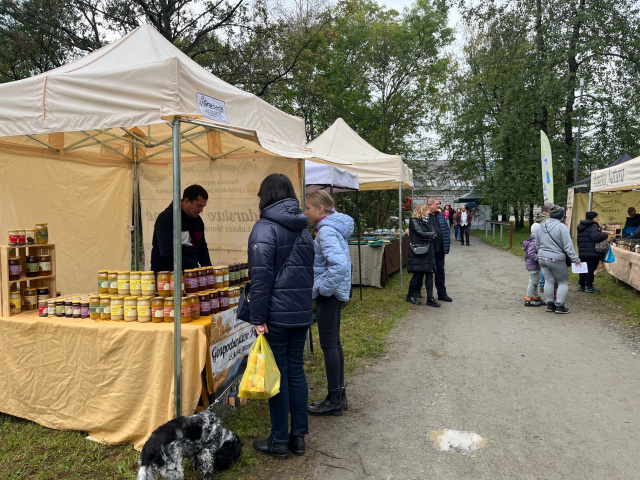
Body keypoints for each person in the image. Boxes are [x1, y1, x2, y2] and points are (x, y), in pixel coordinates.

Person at [247, 174, 315, 459]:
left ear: (267, 195)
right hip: (300, 312)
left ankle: (278, 441)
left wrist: (258, 317)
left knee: (278, 374)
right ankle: (297, 438)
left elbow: (260, 279)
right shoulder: (303, 227)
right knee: (295, 371)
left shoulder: (264, 228)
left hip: (275, 314)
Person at [304, 190, 354, 416]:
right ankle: (339, 396)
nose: (306, 212)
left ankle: (334, 398)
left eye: (308, 208)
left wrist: (323, 289)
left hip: (329, 295)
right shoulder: (332, 227)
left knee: (329, 345)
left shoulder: (325, 231)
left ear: (320, 210)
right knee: (334, 343)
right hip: (335, 293)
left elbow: (340, 265)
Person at [151, 184, 212, 272]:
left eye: (203, 206)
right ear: (187, 201)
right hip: (167, 276)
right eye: (198, 206)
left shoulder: (198, 221)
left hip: (191, 274)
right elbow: (167, 252)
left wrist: (208, 270)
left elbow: (202, 247)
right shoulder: (166, 219)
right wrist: (194, 267)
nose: (201, 210)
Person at [535, 204, 581, 314]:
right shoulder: (562, 227)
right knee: (563, 282)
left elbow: (537, 244)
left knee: (549, 281)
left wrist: (541, 253)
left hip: (542, 257)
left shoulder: (541, 226)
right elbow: (568, 246)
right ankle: (560, 306)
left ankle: (550, 305)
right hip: (556, 259)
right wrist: (576, 259)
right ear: (561, 216)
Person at [405, 204, 439, 306]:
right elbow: (420, 234)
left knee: (429, 273)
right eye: (427, 210)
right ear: (421, 210)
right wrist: (431, 235)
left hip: (428, 250)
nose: (428, 212)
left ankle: (430, 298)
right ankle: (409, 296)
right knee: (417, 274)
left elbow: (433, 233)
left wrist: (430, 235)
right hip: (418, 251)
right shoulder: (414, 220)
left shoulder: (427, 221)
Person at [425, 197, 452, 302]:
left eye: (439, 204)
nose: (439, 205)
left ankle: (442, 293)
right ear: (430, 205)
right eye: (437, 204)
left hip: (440, 248)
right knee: (426, 271)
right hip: (428, 249)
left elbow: (445, 229)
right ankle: (423, 294)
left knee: (440, 271)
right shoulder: (424, 216)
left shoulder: (440, 215)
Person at [576, 211, 609, 293]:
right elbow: (595, 237)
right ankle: (589, 286)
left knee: (583, 268)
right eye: (597, 217)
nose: (598, 218)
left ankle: (581, 285)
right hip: (592, 251)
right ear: (592, 218)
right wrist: (605, 235)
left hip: (583, 250)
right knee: (590, 269)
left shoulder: (581, 226)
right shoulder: (593, 225)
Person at [522, 223, 542, 306]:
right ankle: (528, 298)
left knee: (535, 281)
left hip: (534, 265)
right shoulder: (533, 242)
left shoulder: (532, 240)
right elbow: (531, 253)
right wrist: (540, 258)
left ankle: (535, 296)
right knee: (533, 282)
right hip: (533, 264)